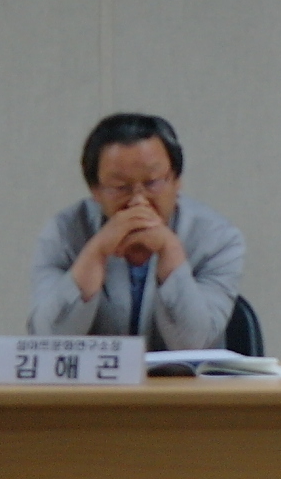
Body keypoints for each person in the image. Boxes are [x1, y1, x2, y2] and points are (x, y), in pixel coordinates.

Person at [28, 112, 246, 349]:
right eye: (120, 187)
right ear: (95, 190)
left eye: (152, 182)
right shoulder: (63, 234)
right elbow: (46, 339)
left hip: (182, 375)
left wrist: (170, 251)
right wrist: (96, 252)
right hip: (97, 375)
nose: (138, 201)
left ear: (176, 180)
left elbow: (195, 342)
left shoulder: (217, 239)